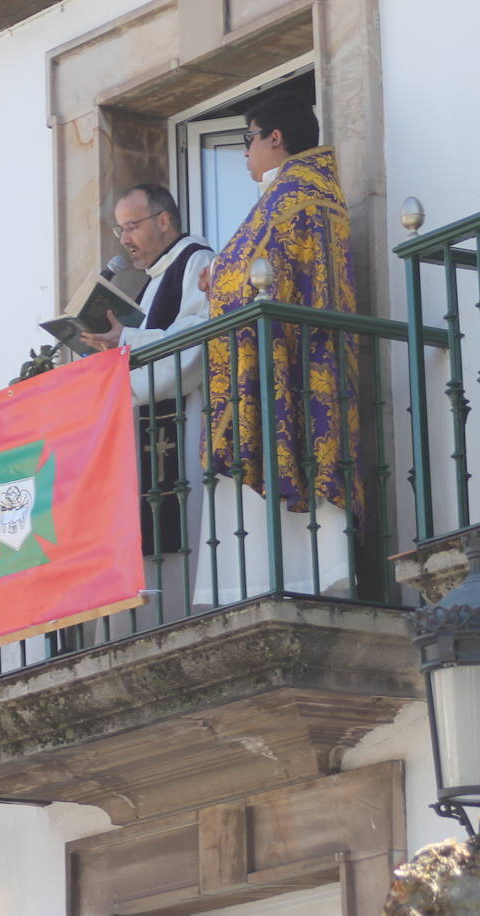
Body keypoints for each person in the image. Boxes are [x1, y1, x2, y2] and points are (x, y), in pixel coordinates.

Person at [194, 92, 364, 604]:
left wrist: (219, 273)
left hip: (289, 361)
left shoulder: (295, 193)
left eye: (248, 138)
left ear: (275, 137)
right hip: (294, 354)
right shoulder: (295, 191)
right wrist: (222, 271)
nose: (244, 152)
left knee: (282, 461)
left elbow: (261, 270)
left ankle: (295, 580)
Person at [81, 185, 215, 616]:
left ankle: (185, 610)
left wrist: (127, 339)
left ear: (163, 220)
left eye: (132, 227)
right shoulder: (153, 282)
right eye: (119, 230)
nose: (125, 240)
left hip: (186, 419)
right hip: (148, 423)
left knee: (183, 524)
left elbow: (197, 342)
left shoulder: (196, 261)